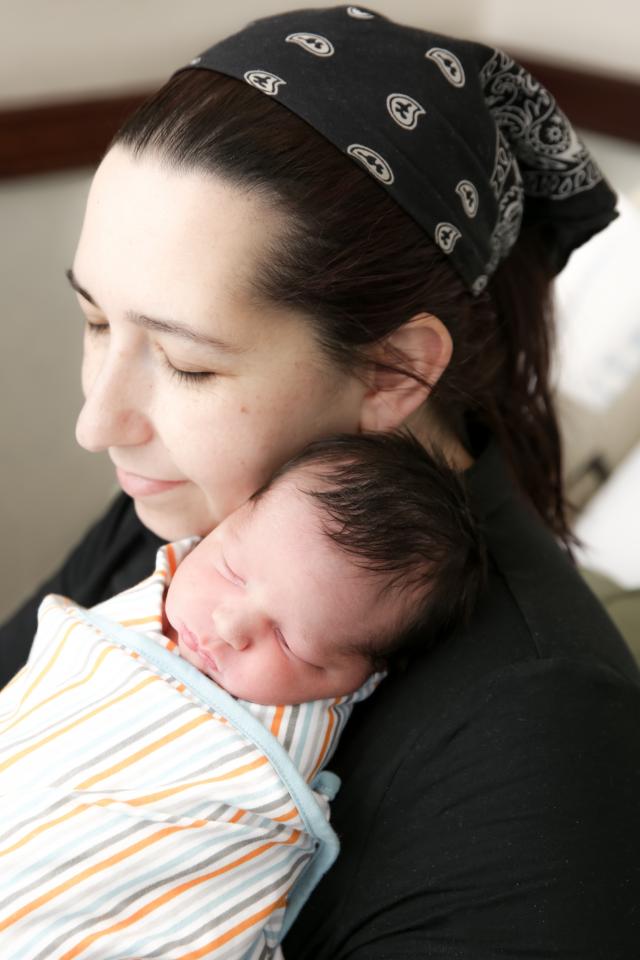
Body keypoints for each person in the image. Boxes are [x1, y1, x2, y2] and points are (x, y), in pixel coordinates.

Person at [1, 5, 638, 957]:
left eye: (190, 365)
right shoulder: (210, 517)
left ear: (394, 370)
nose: (98, 422)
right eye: (97, 323)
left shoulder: (540, 746)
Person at [0, 433, 484, 958]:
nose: (228, 624)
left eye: (289, 640)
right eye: (231, 570)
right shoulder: (143, 591)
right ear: (222, 525)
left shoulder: (261, 768)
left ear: (355, 680)